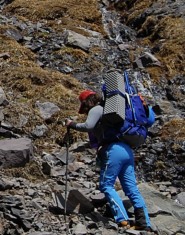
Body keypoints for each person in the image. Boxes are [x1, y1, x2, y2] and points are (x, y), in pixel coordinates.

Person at [66, 90, 155, 231]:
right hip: (127, 150)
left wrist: (71, 124)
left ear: (87, 102)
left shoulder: (96, 109)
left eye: (84, 107)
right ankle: (143, 222)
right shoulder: (110, 111)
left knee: (106, 186)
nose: (85, 110)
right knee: (131, 189)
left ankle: (122, 220)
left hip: (113, 150)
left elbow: (88, 126)